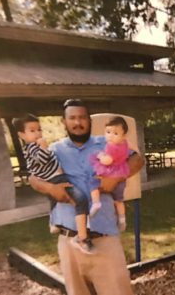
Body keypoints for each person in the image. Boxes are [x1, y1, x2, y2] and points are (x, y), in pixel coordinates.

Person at [29, 99, 144, 295]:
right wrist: (50, 188)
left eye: (82, 117)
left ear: (89, 121)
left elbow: (137, 159)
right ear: (63, 122)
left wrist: (116, 177)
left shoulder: (105, 143)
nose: (78, 122)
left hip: (104, 238)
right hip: (69, 242)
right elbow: (32, 177)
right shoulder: (54, 150)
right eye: (72, 118)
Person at [12, 114, 95, 254]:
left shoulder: (33, 146)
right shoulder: (32, 148)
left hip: (54, 178)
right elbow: (41, 160)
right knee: (80, 200)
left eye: (39, 129)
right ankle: (82, 238)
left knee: (58, 200)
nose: (38, 133)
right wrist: (44, 148)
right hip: (55, 179)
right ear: (21, 135)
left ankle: (54, 223)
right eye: (32, 131)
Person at [89, 116, 130, 232]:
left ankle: (96, 202)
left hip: (111, 172)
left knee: (92, 181)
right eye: (108, 132)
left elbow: (108, 161)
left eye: (115, 133)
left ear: (123, 135)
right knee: (119, 200)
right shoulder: (124, 143)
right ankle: (122, 219)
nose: (110, 136)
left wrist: (100, 155)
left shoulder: (111, 146)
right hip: (121, 174)